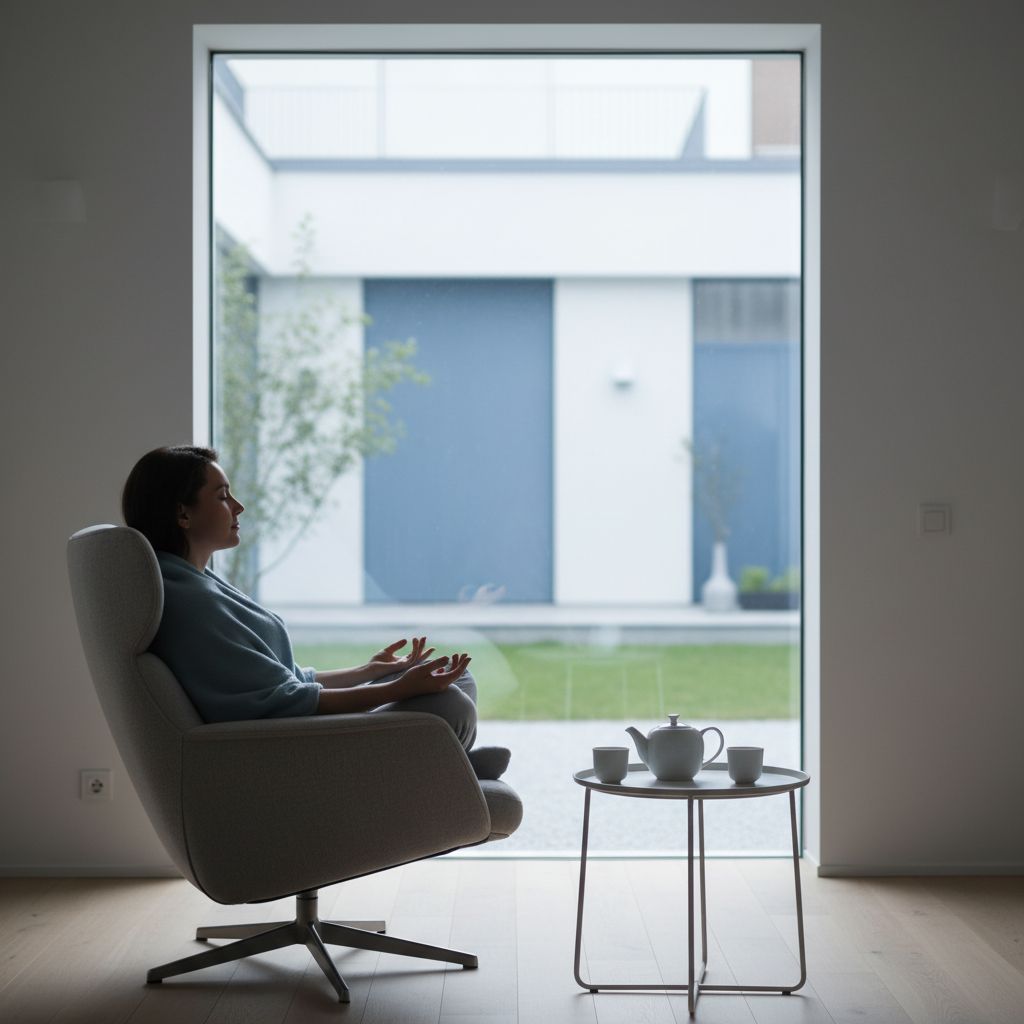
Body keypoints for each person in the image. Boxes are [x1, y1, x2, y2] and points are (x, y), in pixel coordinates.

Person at [120, 444, 510, 781]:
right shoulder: (191, 603)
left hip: (295, 726)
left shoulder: (195, 581)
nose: (238, 506)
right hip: (291, 749)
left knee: (458, 680)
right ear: (183, 515)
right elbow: (283, 701)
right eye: (222, 496)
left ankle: (448, 769)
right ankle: (447, 778)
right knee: (450, 704)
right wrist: (398, 689)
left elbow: (280, 680)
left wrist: (369, 671)